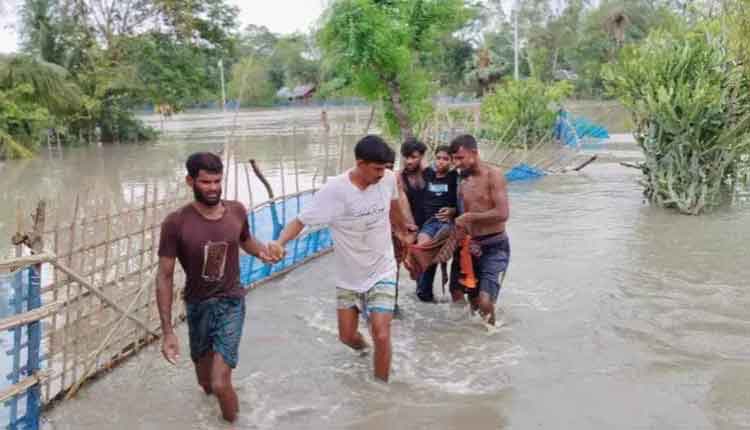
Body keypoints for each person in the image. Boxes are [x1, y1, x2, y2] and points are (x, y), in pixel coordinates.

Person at [267, 135, 414, 382]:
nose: (382, 174)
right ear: (360, 163)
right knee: (347, 337)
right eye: (377, 168)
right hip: (349, 277)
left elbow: (393, 207)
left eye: (385, 168)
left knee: (381, 333)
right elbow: (301, 220)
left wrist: (404, 233)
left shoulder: (388, 179)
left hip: (382, 269)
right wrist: (279, 243)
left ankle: (381, 393)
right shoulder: (335, 190)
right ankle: (367, 352)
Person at [155, 152, 277, 422]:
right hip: (198, 305)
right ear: (190, 181)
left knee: (221, 383)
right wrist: (167, 332)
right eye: (205, 182)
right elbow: (164, 276)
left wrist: (262, 253)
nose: (212, 188)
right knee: (206, 384)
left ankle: (232, 423)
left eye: (217, 181)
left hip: (231, 302)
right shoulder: (176, 223)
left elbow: (245, 240)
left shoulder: (236, 210)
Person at [448, 135, 510, 326]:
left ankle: (494, 338)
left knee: (485, 301)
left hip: (495, 246)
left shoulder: (494, 175)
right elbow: (462, 214)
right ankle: (479, 347)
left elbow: (502, 213)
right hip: (471, 246)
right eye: (454, 159)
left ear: (474, 153)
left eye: (460, 158)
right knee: (473, 302)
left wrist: (470, 217)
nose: (457, 163)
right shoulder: (462, 181)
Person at [411, 145, 458, 302]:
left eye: (446, 159)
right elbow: (419, 159)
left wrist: (453, 211)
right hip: (429, 223)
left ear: (451, 162)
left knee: (435, 246)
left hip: (446, 223)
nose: (441, 162)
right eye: (438, 158)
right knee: (422, 248)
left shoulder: (454, 177)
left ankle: (424, 292)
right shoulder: (428, 174)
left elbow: (463, 201)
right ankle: (423, 289)